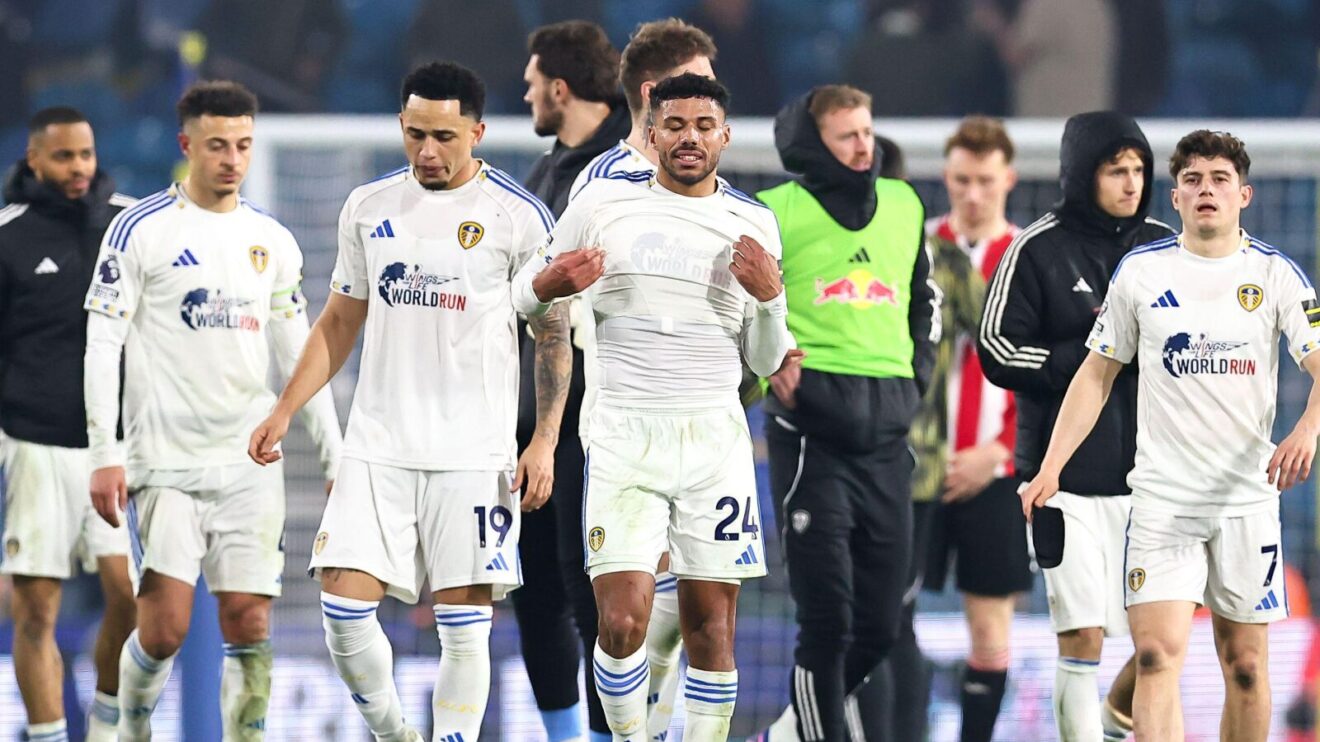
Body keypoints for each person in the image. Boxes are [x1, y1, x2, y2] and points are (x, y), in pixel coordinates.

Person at [248, 61, 570, 742]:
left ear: (477, 132)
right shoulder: (368, 208)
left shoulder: (517, 216)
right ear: (401, 125)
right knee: (343, 612)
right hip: (378, 447)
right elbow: (338, 322)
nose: (428, 150)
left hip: (472, 452)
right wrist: (283, 409)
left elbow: (553, 335)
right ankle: (397, 735)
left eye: (445, 136)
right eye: (416, 134)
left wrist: (542, 440)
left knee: (464, 629)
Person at [512, 73, 795, 742]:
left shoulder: (753, 222)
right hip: (621, 438)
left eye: (703, 126)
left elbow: (764, 359)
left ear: (724, 135)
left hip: (712, 444)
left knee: (711, 628)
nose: (689, 137)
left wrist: (771, 298)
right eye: (674, 125)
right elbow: (528, 301)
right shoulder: (603, 204)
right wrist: (544, 286)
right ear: (650, 133)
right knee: (621, 623)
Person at [1020, 129, 1318, 740]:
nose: (1206, 190)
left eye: (1219, 181)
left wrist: (1307, 430)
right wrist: (1050, 466)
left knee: (1245, 665)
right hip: (1161, 503)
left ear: (1244, 195)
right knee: (1155, 657)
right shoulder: (1141, 273)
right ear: (1176, 197)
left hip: (1245, 502)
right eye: (1192, 180)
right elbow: (1095, 374)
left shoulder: (1276, 275)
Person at [82, 81, 342, 740]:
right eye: (219, 145)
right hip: (165, 462)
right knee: (164, 630)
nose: (233, 159)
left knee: (249, 621)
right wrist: (106, 455)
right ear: (187, 145)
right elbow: (102, 342)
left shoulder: (271, 241)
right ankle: (131, 724)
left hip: (249, 462)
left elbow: (300, 351)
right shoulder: (139, 230)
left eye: (244, 146)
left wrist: (335, 454)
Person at [977, 110, 1175, 741]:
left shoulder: (1166, 246)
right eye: (1115, 170)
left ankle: (1115, 727)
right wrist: (1087, 358)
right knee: (1082, 635)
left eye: (1139, 170)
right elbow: (996, 349)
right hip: (1064, 482)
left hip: (1156, 480)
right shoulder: (1036, 248)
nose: (1130, 183)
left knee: (1161, 642)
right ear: (1081, 175)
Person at [754, 83, 940, 742]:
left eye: (867, 130)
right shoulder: (773, 211)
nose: (865, 145)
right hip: (813, 441)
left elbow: (926, 301)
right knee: (826, 625)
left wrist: (915, 381)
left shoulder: (905, 202)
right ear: (814, 145)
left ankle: (786, 732)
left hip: (890, 437)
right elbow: (740, 308)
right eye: (847, 135)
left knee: (880, 628)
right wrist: (769, 365)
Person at [568, 18, 719, 739]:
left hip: (695, 428)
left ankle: (651, 728)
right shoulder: (603, 186)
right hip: (624, 425)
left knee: (684, 609)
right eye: (695, 82)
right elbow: (558, 310)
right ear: (658, 94)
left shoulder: (709, 193)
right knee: (626, 613)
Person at [0, 106, 136, 742]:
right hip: (33, 445)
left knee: (130, 599)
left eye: (85, 154)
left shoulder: (128, 227)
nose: (79, 168)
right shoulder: (8, 236)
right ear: (35, 160)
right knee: (36, 610)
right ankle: (50, 734)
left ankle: (107, 727)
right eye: (63, 157)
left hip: (118, 447)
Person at [517, 20, 629, 742]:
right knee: (534, 592)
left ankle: (608, 733)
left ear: (561, 88)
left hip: (603, 419)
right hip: (533, 421)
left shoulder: (623, 172)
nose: (526, 95)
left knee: (598, 598)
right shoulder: (547, 173)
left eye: (532, 84)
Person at [915, 116, 1028, 742]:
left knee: (990, 631)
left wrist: (1001, 452)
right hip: (915, 468)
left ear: (1008, 178)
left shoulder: (1030, 255)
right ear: (946, 178)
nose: (974, 193)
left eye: (986, 180)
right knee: (887, 620)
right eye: (962, 180)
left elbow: (1054, 375)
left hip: (996, 470)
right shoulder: (917, 247)